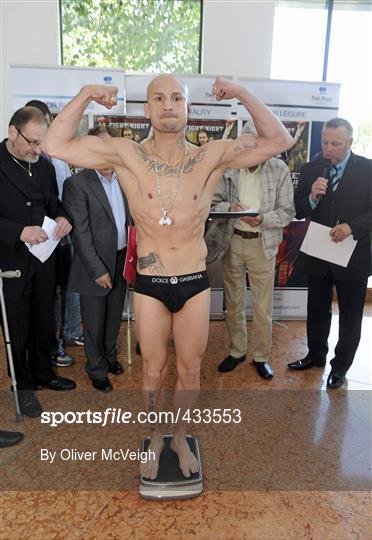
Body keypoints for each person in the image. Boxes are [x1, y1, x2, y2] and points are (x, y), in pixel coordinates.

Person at [42, 75, 292, 479]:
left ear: (189, 107)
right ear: (147, 109)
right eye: (159, 98)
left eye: (177, 97)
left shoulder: (211, 156)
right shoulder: (125, 154)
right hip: (151, 283)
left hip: (193, 280)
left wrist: (242, 94)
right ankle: (156, 435)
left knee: (191, 371)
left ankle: (179, 435)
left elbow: (279, 140)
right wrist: (87, 94)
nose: (168, 104)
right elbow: (54, 145)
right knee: (154, 371)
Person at [0, 107, 76, 418]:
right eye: (31, 142)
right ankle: (23, 387)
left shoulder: (43, 167)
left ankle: (44, 372)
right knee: (17, 327)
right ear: (12, 132)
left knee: (44, 319)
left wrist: (62, 217)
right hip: (11, 259)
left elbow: (54, 203)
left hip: (44, 259)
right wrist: (19, 231)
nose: (36, 149)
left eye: (40, 143)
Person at [288, 118, 372, 389]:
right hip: (318, 254)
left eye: (335, 143)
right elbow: (299, 209)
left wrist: (351, 226)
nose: (329, 148)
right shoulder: (312, 168)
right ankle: (315, 356)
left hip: (354, 256)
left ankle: (340, 367)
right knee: (316, 310)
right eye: (325, 142)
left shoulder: (368, 169)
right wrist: (312, 197)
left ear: (349, 142)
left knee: (350, 315)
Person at [206, 122, 295, 379]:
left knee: (262, 306)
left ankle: (261, 357)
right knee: (232, 302)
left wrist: (264, 218)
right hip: (232, 241)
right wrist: (229, 209)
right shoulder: (230, 169)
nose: (248, 151)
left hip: (262, 242)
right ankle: (237, 351)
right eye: (243, 146)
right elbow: (214, 203)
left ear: (263, 144)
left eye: (253, 145)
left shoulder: (279, 170)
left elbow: (287, 212)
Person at [62, 126, 131, 392]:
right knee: (94, 321)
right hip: (94, 265)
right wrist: (97, 270)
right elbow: (81, 232)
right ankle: (96, 368)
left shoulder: (125, 179)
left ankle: (110, 357)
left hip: (121, 259)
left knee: (114, 317)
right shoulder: (77, 184)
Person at [25, 100, 84, 368]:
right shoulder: (27, 159)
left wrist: (65, 217)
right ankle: (52, 345)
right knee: (47, 294)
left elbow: (61, 194)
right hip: (34, 238)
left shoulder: (56, 156)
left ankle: (67, 333)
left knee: (66, 286)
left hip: (61, 231)